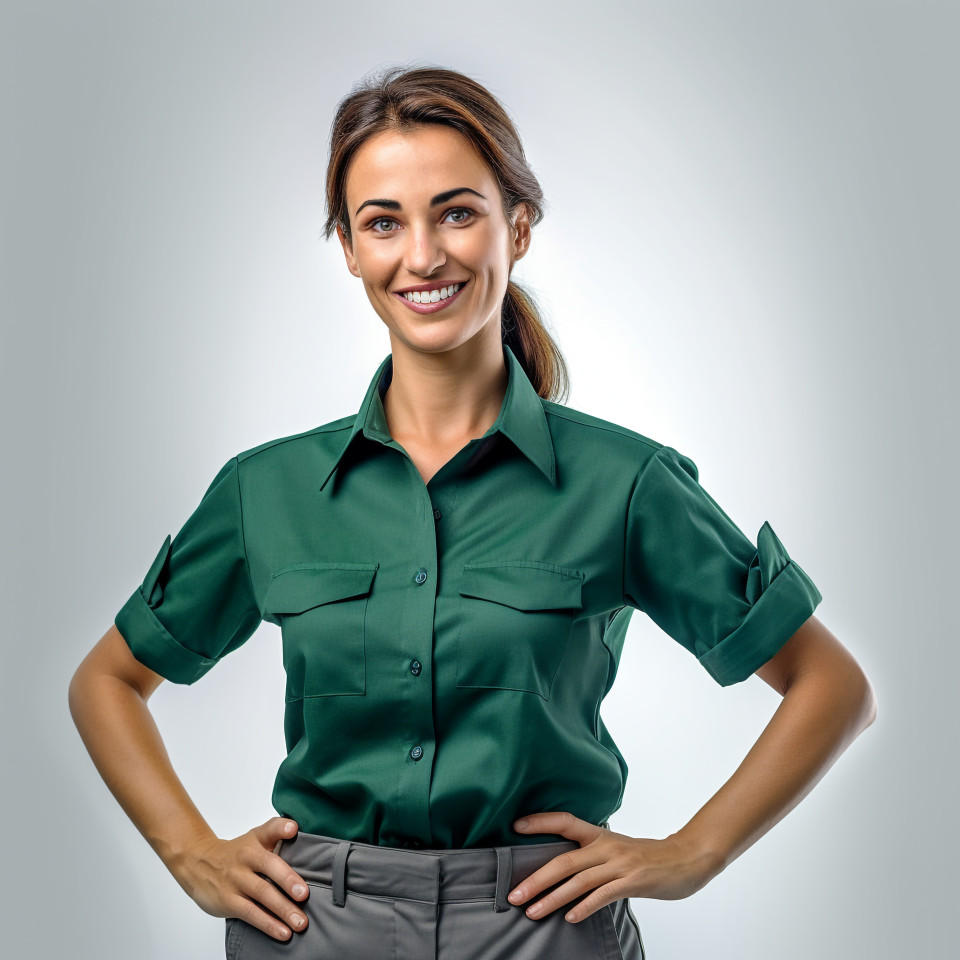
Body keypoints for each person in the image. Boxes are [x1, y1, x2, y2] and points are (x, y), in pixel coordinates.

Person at [68, 63, 877, 960]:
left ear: (517, 227)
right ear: (348, 248)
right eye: (383, 222)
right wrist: (188, 853)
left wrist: (693, 853)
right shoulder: (269, 490)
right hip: (313, 927)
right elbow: (107, 681)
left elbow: (831, 684)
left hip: (544, 927)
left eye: (457, 212)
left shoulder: (626, 481)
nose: (422, 256)